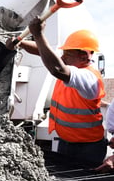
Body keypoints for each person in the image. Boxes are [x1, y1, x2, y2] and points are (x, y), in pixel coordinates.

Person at [6, 17, 106, 166]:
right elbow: (45, 52)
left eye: (68, 54)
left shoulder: (88, 77)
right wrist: (20, 43)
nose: (63, 57)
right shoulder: (72, 64)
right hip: (66, 141)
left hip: (88, 147)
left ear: (84, 56)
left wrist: (39, 35)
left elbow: (57, 69)